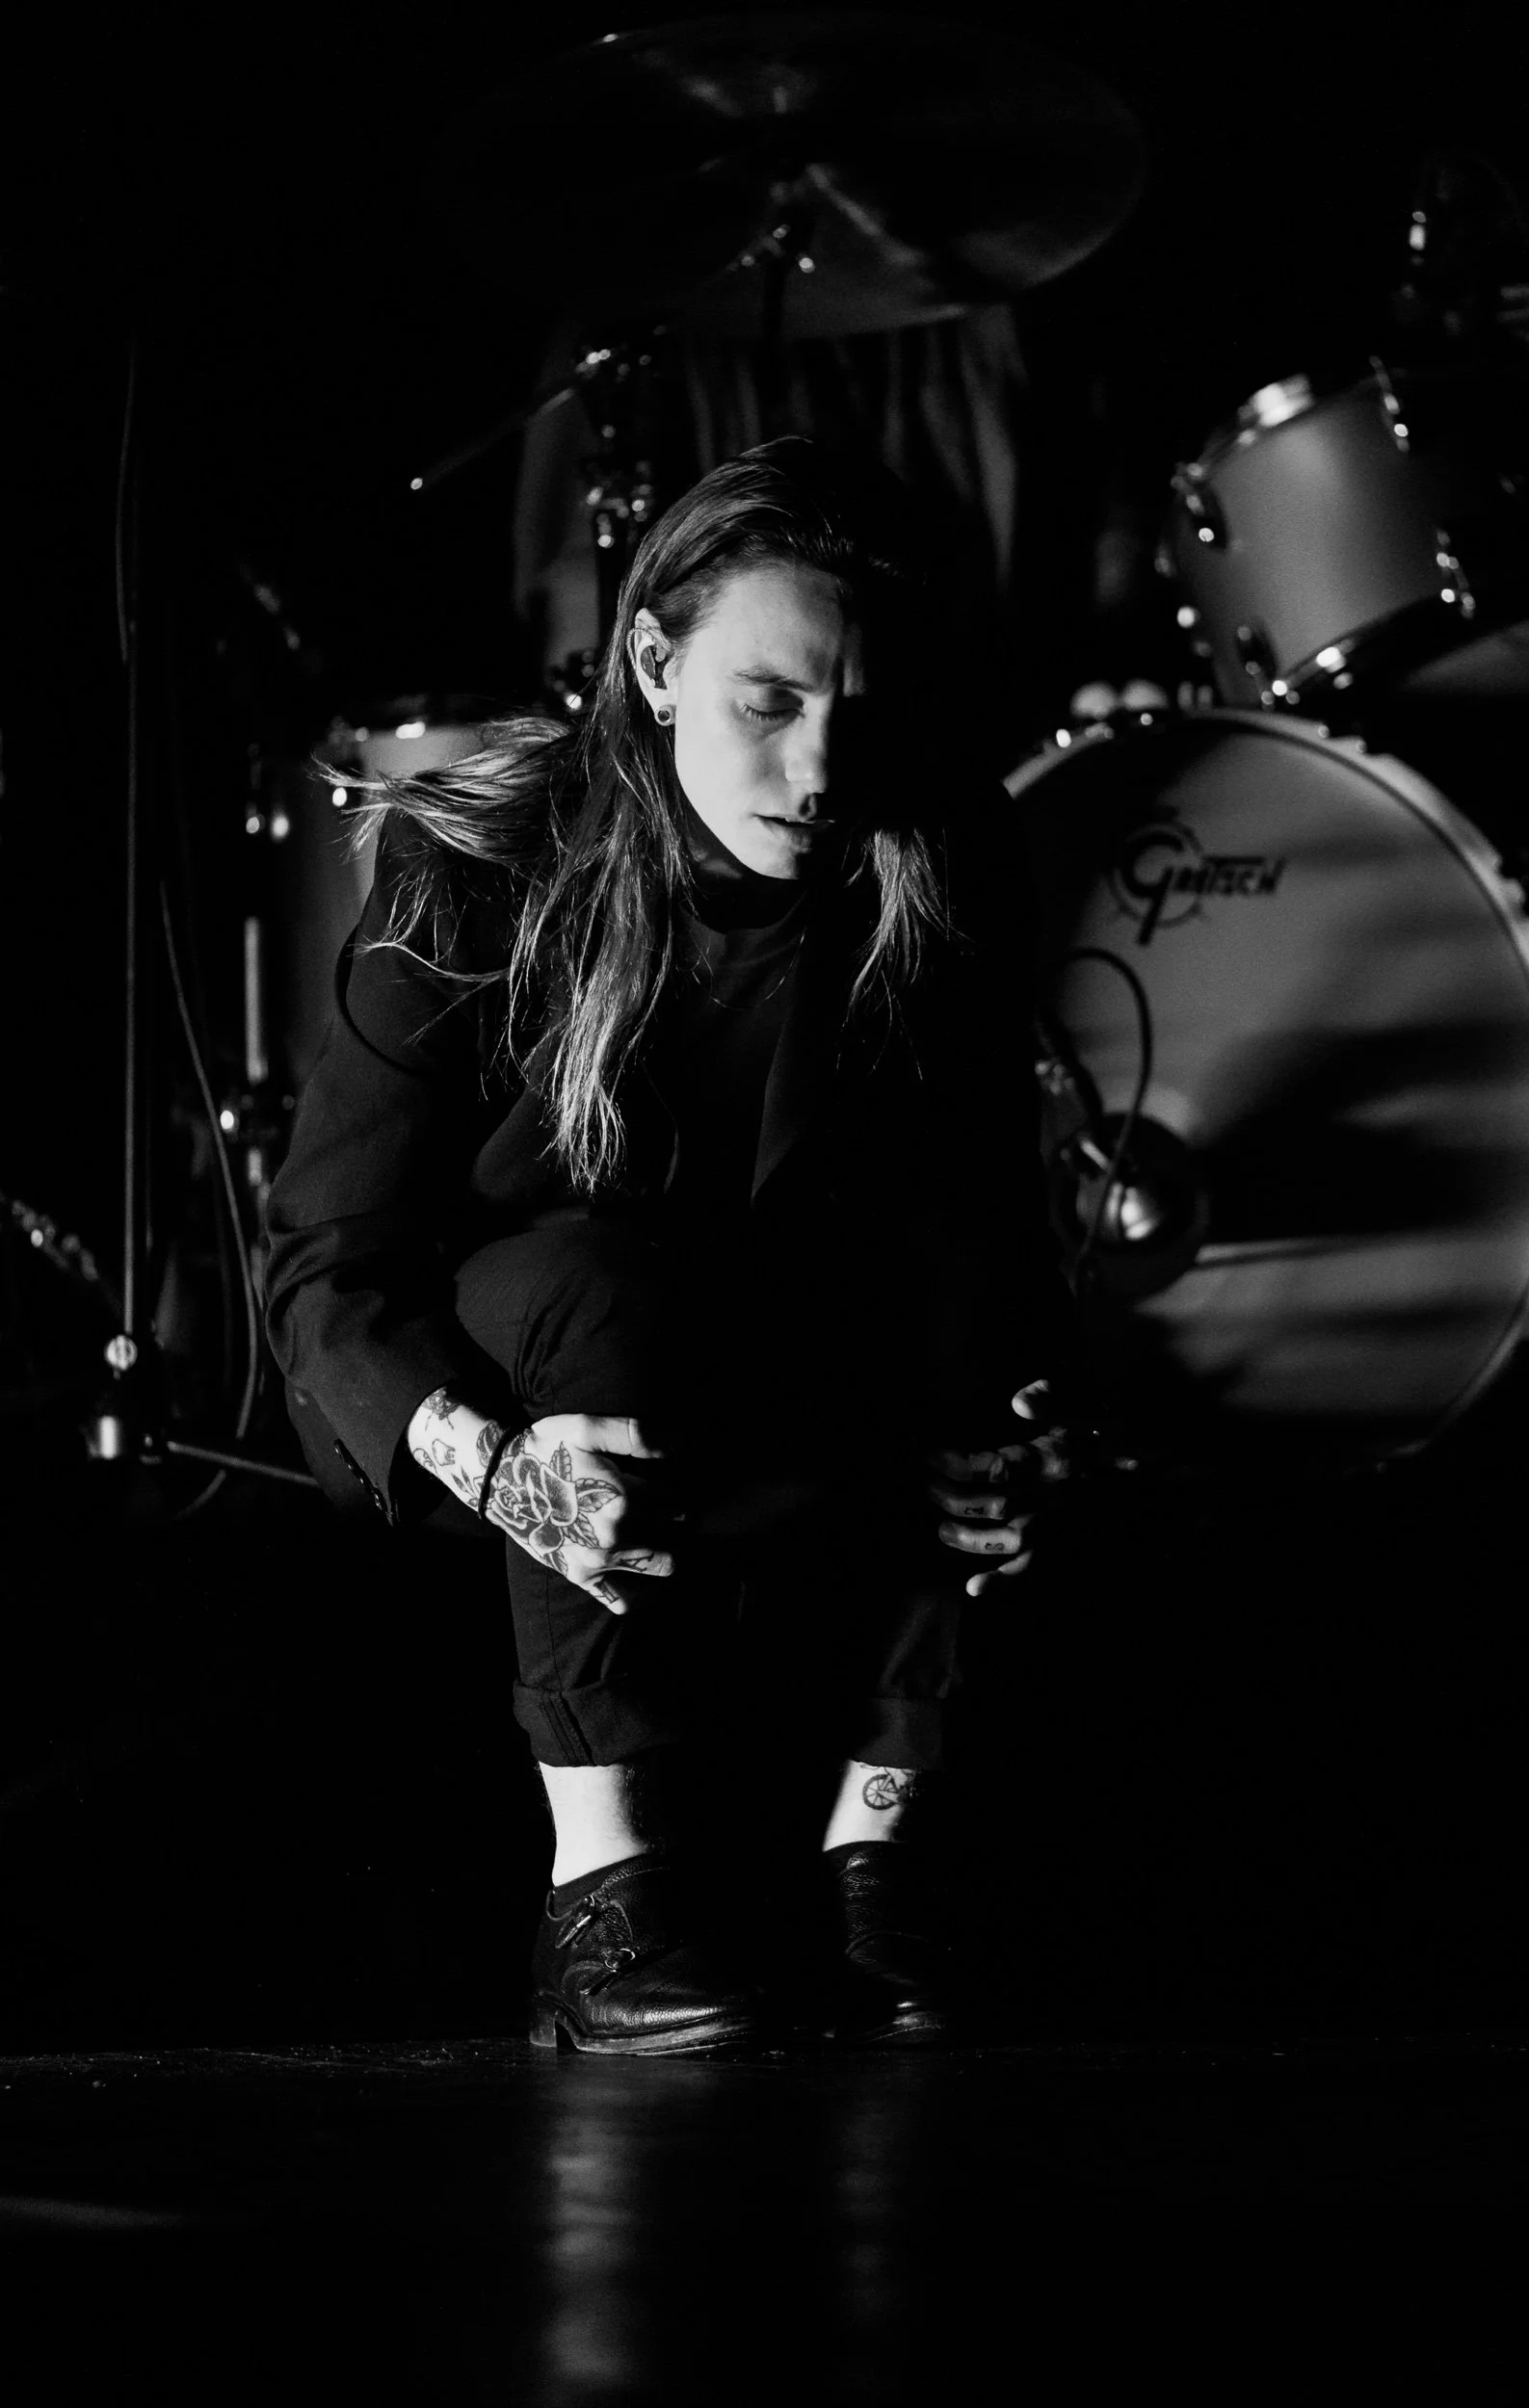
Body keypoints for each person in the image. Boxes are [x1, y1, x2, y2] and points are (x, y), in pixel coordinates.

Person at [264, 438, 1071, 2055]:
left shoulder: (932, 854)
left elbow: (984, 1204)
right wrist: (499, 1470)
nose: (819, 766)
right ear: (650, 663)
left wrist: (1024, 1413)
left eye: (855, 708)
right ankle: (601, 1895)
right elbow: (327, 1265)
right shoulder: (476, 861)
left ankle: (879, 1849)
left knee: (960, 1286)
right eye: (767, 702)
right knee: (595, 1276)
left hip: (775, 1349)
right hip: (514, 1369)